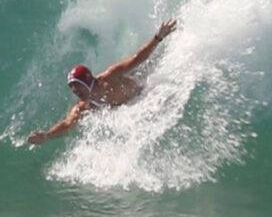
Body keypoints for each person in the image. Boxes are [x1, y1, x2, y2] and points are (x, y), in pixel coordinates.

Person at [28, 19, 178, 145]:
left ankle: (170, 42)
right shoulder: (84, 107)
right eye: (71, 87)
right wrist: (47, 135)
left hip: (143, 86)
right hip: (129, 105)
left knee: (153, 64)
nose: (74, 91)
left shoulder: (111, 76)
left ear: (87, 80)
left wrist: (158, 37)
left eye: (76, 85)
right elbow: (68, 124)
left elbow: (138, 58)